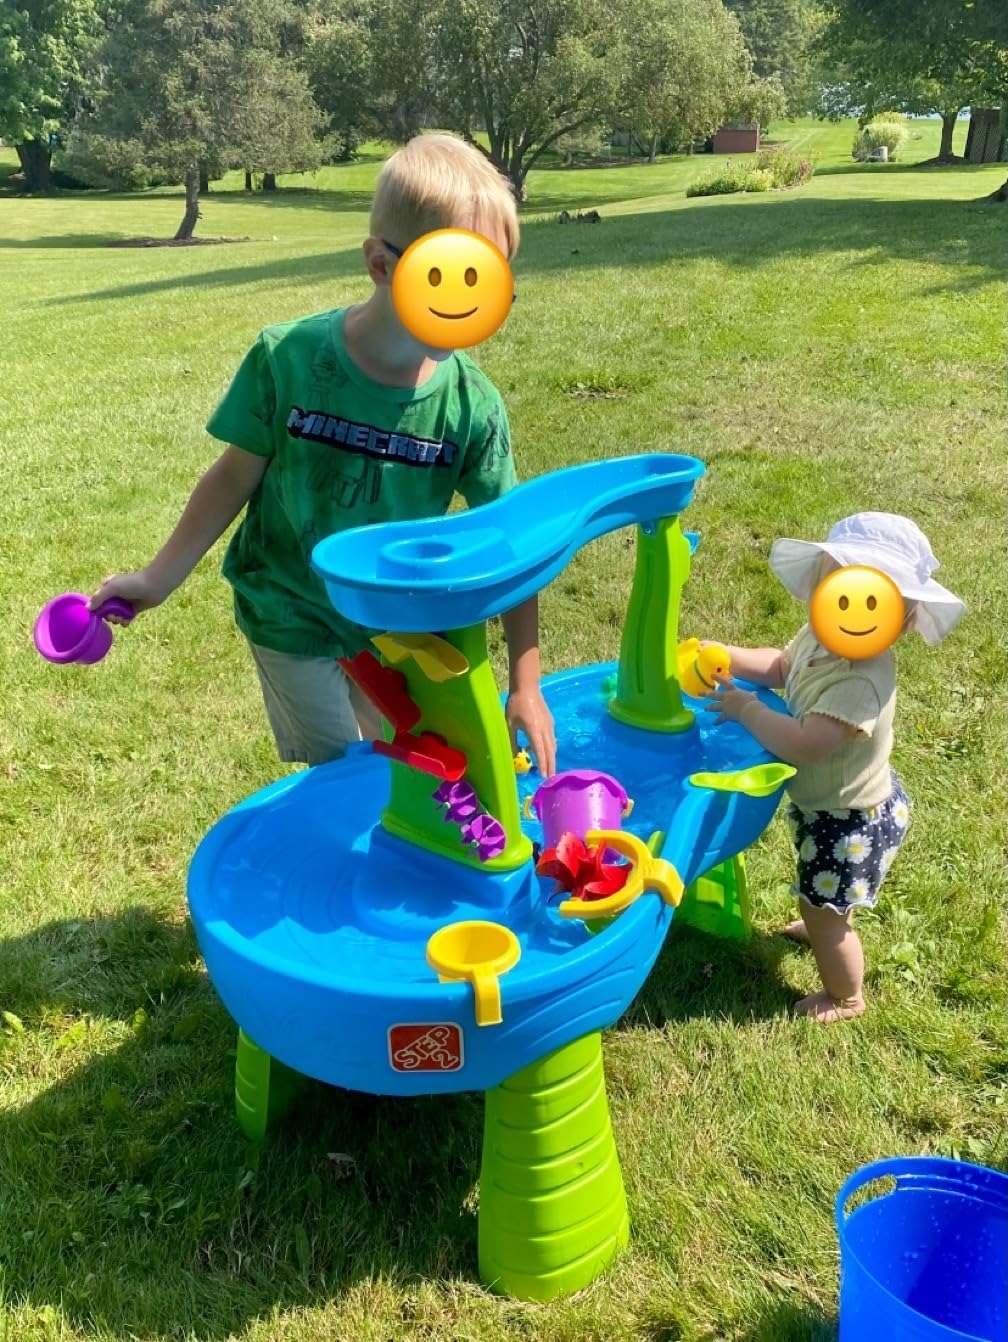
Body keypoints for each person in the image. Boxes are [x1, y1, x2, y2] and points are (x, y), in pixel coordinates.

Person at [89, 134, 557, 776]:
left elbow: (510, 541)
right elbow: (234, 476)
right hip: (288, 610)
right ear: (382, 265)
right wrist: (158, 577)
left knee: (413, 769)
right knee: (346, 776)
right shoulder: (288, 360)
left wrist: (526, 682)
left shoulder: (472, 406)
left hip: (397, 629)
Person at [706, 513, 964, 1023]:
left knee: (824, 913)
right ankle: (827, 912)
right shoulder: (825, 634)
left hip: (850, 821)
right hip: (830, 806)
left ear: (902, 617)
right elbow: (781, 666)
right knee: (824, 901)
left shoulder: (861, 681)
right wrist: (729, 657)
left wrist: (747, 710)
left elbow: (805, 745)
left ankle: (846, 995)